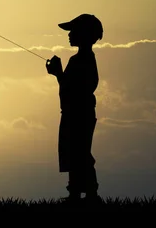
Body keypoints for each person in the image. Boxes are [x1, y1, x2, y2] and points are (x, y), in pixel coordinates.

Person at [46, 13, 103, 203]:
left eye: (74, 31)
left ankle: (90, 195)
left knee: (80, 153)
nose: (69, 35)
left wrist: (58, 73)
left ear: (85, 34)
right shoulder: (79, 59)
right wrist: (59, 74)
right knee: (74, 152)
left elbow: (76, 88)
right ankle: (76, 194)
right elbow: (71, 87)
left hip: (79, 113)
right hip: (74, 112)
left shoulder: (82, 60)